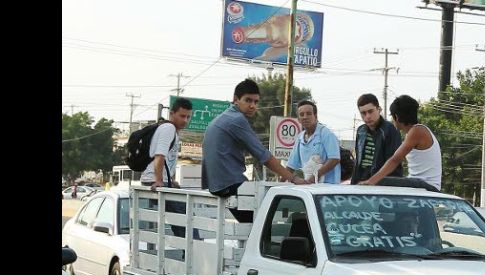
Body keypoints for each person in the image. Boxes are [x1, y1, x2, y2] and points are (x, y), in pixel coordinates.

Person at [202, 79, 305, 222]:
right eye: (248, 100)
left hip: (215, 185)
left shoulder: (222, 118)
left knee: (261, 221)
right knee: (275, 220)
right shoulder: (237, 120)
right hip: (231, 185)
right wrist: (293, 178)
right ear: (236, 99)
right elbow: (264, 156)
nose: (252, 106)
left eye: (256, 102)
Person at [360, 95, 442, 192]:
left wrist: (371, 181)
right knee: (383, 180)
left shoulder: (417, 131)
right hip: (418, 182)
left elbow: (395, 159)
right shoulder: (417, 131)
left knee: (379, 181)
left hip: (428, 185)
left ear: (396, 117)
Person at [140, 97, 193, 238]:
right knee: (188, 221)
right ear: (172, 113)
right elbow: (160, 156)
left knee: (182, 219)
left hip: (159, 180)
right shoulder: (169, 129)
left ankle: (186, 246)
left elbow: (168, 160)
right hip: (155, 181)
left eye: (188, 117)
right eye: (182, 116)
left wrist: (171, 180)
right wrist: (159, 180)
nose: (185, 120)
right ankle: (192, 248)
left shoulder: (169, 129)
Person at [351, 93, 403, 184]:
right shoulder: (360, 131)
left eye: (370, 111)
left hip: (383, 184)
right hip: (361, 182)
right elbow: (358, 162)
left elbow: (394, 162)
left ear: (379, 109)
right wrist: (353, 183)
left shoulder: (390, 130)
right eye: (363, 113)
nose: (367, 116)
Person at [286, 100, 341, 183]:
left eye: (308, 114)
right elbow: (291, 166)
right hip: (310, 187)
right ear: (299, 119)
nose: (305, 117)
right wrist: (278, 184)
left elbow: (334, 159)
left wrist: (315, 176)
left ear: (315, 116)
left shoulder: (326, 134)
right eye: (301, 114)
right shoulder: (300, 138)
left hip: (329, 187)